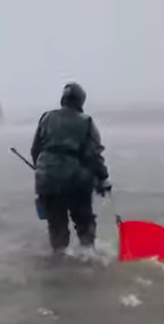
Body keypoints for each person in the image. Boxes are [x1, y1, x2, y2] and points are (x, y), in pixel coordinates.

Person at [30, 83, 111, 253]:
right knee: (84, 223)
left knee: (56, 227)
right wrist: (102, 179)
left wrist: (43, 170)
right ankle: (88, 257)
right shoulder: (86, 122)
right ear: (81, 101)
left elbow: (35, 150)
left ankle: (58, 262)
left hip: (46, 180)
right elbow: (94, 156)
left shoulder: (46, 118)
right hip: (76, 181)